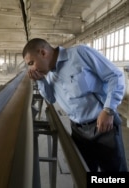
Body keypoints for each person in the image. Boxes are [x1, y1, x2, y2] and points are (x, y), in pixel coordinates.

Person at [23, 38, 128, 172]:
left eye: (31, 63)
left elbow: (115, 76)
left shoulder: (80, 54)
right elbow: (51, 98)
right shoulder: (49, 74)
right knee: (84, 174)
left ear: (43, 52)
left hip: (103, 126)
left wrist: (108, 110)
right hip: (78, 131)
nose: (31, 68)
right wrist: (41, 81)